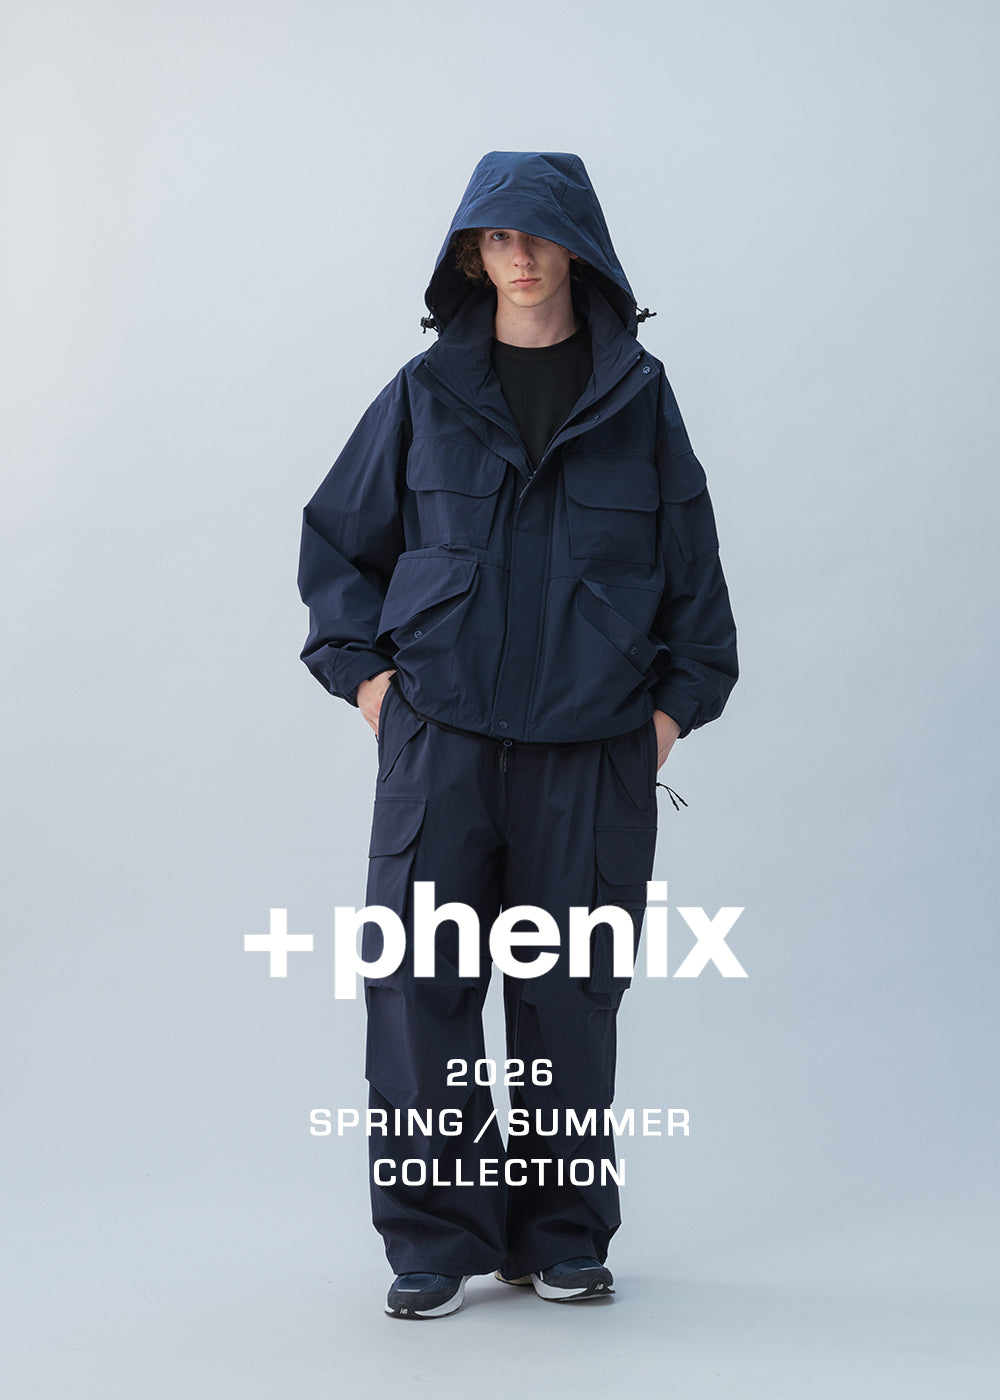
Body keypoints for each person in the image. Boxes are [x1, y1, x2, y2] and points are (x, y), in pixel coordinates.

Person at [297, 150, 738, 1319]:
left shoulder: (639, 400)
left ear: (581, 254)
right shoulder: (422, 394)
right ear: (471, 257)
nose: (522, 256)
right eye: (498, 238)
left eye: (541, 236)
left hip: (590, 755)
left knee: (570, 996)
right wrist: (372, 688)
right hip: (440, 746)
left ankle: (560, 1233)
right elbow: (339, 544)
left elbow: (696, 587)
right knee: (418, 988)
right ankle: (434, 1239)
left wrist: (659, 723)